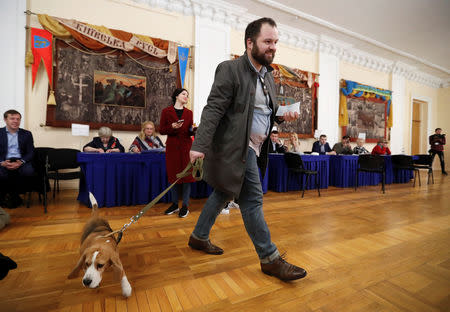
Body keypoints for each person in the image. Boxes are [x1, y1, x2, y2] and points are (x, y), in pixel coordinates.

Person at [188, 17, 307, 282]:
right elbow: (214, 109)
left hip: (257, 147)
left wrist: (281, 116)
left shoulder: (269, 76)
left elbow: (265, 113)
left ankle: (198, 237)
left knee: (223, 193)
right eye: (267, 42)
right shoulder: (229, 69)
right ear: (249, 42)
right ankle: (270, 259)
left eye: (275, 42)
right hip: (236, 150)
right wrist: (199, 145)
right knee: (252, 199)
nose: (272, 47)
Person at [159, 88, 195, 218]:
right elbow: (162, 130)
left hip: (186, 148)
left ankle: (185, 206)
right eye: (184, 94)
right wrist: (172, 127)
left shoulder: (189, 113)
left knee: (186, 177)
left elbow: (189, 130)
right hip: (172, 149)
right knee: (174, 177)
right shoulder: (166, 112)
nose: (186, 96)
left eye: (187, 95)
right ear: (176, 96)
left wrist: (195, 131)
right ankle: (174, 204)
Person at [0, 109, 35, 208]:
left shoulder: (27, 134)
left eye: (18, 119)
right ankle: (5, 196)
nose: (15, 121)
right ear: (5, 120)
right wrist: (1, 162)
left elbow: (31, 152)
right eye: (12, 118)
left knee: (28, 172)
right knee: (2, 174)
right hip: (4, 160)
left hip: (21, 160)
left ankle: (15, 196)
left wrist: (21, 162)